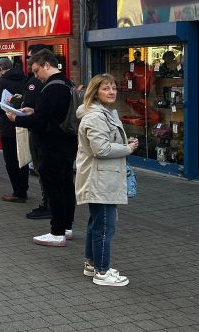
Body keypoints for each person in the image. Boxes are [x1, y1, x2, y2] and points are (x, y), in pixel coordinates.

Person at [7, 49, 77, 247]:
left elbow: (40, 121)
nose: (36, 76)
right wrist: (33, 111)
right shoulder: (66, 83)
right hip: (66, 144)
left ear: (47, 65)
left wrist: (17, 118)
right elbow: (52, 114)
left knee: (54, 188)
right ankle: (66, 227)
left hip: (51, 146)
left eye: (37, 71)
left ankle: (57, 232)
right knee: (65, 187)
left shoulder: (52, 88)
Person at [76, 73, 138, 286]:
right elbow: (100, 149)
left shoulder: (105, 114)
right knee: (105, 226)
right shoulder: (95, 116)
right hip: (100, 179)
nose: (111, 92)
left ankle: (92, 264)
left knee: (96, 223)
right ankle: (102, 272)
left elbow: (104, 143)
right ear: (95, 92)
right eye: (105, 88)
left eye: (113, 87)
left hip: (103, 177)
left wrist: (123, 143)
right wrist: (126, 148)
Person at [0, 58, 30, 202]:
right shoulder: (25, 79)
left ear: (0, 69)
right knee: (23, 157)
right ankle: (24, 189)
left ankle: (18, 192)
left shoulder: (1, 82)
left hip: (8, 125)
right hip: (24, 122)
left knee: (11, 159)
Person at [22, 45, 51, 220]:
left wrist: (21, 115)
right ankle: (48, 204)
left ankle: (48, 205)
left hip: (43, 135)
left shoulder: (42, 84)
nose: (34, 75)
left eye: (35, 70)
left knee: (43, 169)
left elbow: (34, 106)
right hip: (45, 134)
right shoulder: (52, 83)